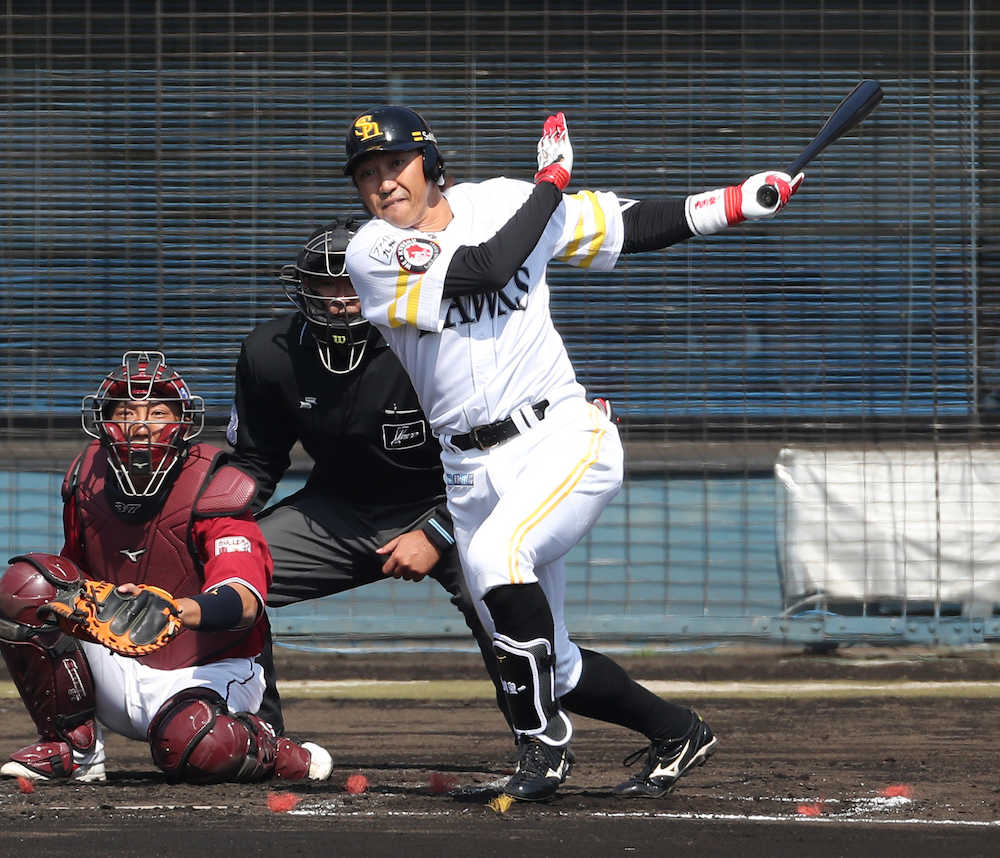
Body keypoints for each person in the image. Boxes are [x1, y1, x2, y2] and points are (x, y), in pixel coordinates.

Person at [342, 106, 804, 801]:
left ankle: (544, 748)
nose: (384, 183)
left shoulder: (501, 201)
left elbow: (627, 225)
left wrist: (738, 202)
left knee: (499, 559)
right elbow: (486, 270)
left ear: (431, 165)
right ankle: (678, 730)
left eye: (395, 165)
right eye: (367, 174)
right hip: (468, 468)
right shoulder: (372, 252)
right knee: (549, 665)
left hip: (560, 436)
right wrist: (552, 182)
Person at [226, 219, 507, 737]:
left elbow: (490, 463)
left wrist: (436, 532)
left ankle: (538, 739)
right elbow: (256, 461)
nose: (339, 300)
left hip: (446, 505)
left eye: (352, 282)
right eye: (325, 284)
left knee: (498, 594)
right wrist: (211, 521)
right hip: (337, 511)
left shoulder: (437, 341)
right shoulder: (270, 352)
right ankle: (254, 738)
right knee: (230, 579)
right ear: (302, 288)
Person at [0, 351, 332, 784]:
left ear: (181, 422)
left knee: (202, 746)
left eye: (157, 411)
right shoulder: (87, 477)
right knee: (25, 584)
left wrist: (175, 612)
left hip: (208, 668)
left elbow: (244, 599)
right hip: (115, 661)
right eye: (125, 411)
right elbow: (71, 578)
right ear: (104, 422)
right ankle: (73, 745)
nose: (141, 425)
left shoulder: (216, 484)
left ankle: (277, 749)